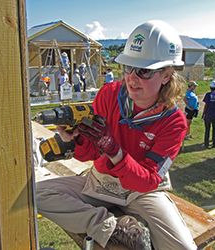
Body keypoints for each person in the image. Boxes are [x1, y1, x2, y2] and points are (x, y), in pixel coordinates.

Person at [36, 20, 197, 250]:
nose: (132, 78)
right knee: (38, 194)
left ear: (167, 75)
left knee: (183, 247)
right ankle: (111, 227)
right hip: (101, 182)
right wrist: (78, 138)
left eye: (144, 71)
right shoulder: (110, 94)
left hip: (140, 192)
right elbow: (89, 153)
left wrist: (115, 152)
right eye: (128, 68)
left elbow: (150, 180)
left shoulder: (173, 122)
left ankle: (110, 224)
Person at [202, 80, 215, 148]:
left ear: (210, 87)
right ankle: (214, 144)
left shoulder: (208, 95)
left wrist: (203, 114)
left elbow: (206, 105)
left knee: (207, 129)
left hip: (208, 115)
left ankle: (206, 144)